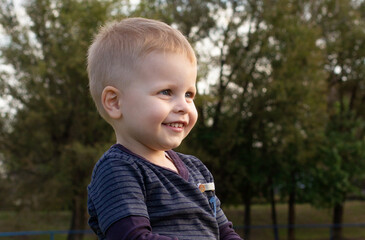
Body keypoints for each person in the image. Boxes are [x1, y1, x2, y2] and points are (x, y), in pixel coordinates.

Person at [86, 17, 243, 240]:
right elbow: (133, 237)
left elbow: (224, 232)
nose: (183, 106)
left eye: (189, 94)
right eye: (166, 92)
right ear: (114, 102)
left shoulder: (197, 169)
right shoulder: (117, 170)